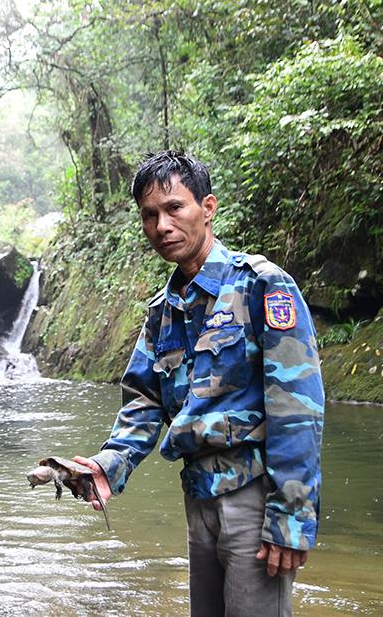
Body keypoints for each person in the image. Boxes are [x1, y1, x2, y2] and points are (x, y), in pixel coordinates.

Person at [73, 150, 324, 617]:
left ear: (207, 208)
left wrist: (292, 514)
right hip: (198, 500)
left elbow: (297, 406)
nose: (162, 226)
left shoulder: (262, 287)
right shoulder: (163, 311)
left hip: (254, 496)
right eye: (150, 215)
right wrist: (109, 466)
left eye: (175, 208)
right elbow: (144, 401)